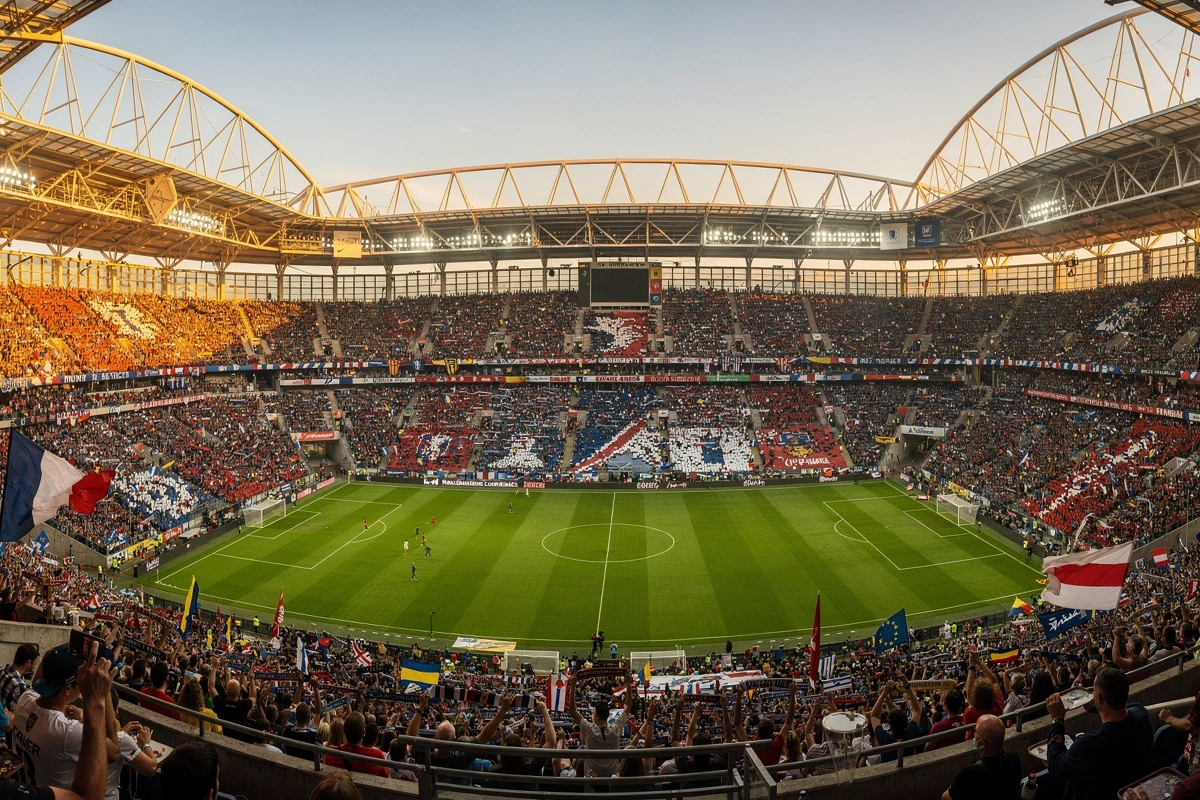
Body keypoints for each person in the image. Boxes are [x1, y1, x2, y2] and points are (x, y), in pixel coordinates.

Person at [12, 645, 119, 792]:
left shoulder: (25, 698)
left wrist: (57, 653)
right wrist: (103, 691)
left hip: (27, 789)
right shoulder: (69, 733)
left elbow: (43, 695)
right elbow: (113, 752)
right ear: (68, 689)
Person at [1046, 666, 1154, 800]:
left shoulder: (1089, 744)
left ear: (1098, 696)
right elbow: (1119, 708)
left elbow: (1056, 766)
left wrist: (1057, 719)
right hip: (1132, 787)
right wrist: (1095, 706)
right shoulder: (1141, 713)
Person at [940, 714, 1021, 800]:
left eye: (975, 731)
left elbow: (945, 798)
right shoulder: (1014, 759)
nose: (973, 734)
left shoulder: (967, 775)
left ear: (981, 744)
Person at [569, 676, 628, 779]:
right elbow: (629, 707)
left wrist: (573, 684)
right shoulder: (616, 729)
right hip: (611, 778)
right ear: (608, 715)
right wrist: (628, 684)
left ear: (597, 716)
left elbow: (573, 711)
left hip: (591, 778)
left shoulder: (589, 729)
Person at [322, 712, 388, 778]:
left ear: (344, 731)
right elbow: (388, 780)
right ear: (364, 732)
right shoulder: (377, 755)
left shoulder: (330, 753)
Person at [0, 643, 38, 713]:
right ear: (28, 663)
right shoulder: (18, 685)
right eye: (35, 663)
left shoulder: (4, 670)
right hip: (9, 719)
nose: (35, 666)